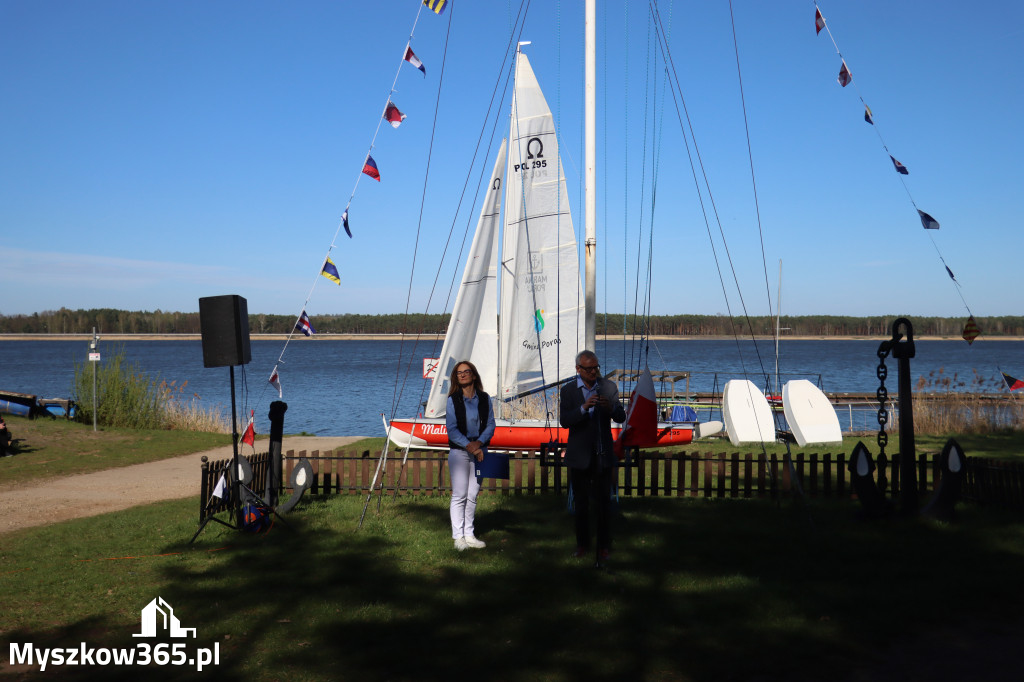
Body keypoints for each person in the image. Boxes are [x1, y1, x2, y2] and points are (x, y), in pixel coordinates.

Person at [559, 350, 626, 561]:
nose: (593, 372)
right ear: (578, 369)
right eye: (588, 368)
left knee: (603, 504)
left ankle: (604, 546)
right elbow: (565, 421)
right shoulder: (569, 390)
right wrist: (583, 408)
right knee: (581, 504)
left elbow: (621, 416)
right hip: (579, 455)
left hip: (602, 453)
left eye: (596, 367)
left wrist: (611, 407)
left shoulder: (608, 387)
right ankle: (582, 545)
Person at [445, 360, 495, 551]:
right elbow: (452, 430)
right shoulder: (453, 400)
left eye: (467, 372)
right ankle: (458, 537)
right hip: (460, 451)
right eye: (459, 373)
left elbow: (491, 424)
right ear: (456, 378)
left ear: (474, 375)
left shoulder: (484, 398)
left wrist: (479, 443)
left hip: (480, 450)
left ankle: (469, 534)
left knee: (473, 494)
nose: (463, 375)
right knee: (460, 494)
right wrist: (470, 446)